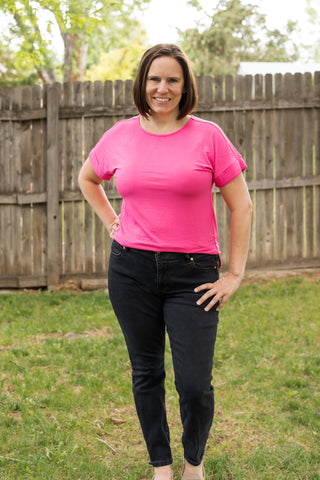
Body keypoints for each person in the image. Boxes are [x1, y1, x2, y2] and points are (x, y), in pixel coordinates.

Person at [78, 44, 252, 480]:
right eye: (155, 79)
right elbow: (87, 178)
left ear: (184, 85)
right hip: (130, 270)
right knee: (146, 373)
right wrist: (112, 221)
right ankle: (162, 465)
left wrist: (233, 274)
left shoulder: (208, 135)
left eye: (172, 79)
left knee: (194, 384)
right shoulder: (119, 134)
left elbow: (242, 206)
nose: (162, 88)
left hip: (192, 274)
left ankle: (194, 462)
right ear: (142, 82)